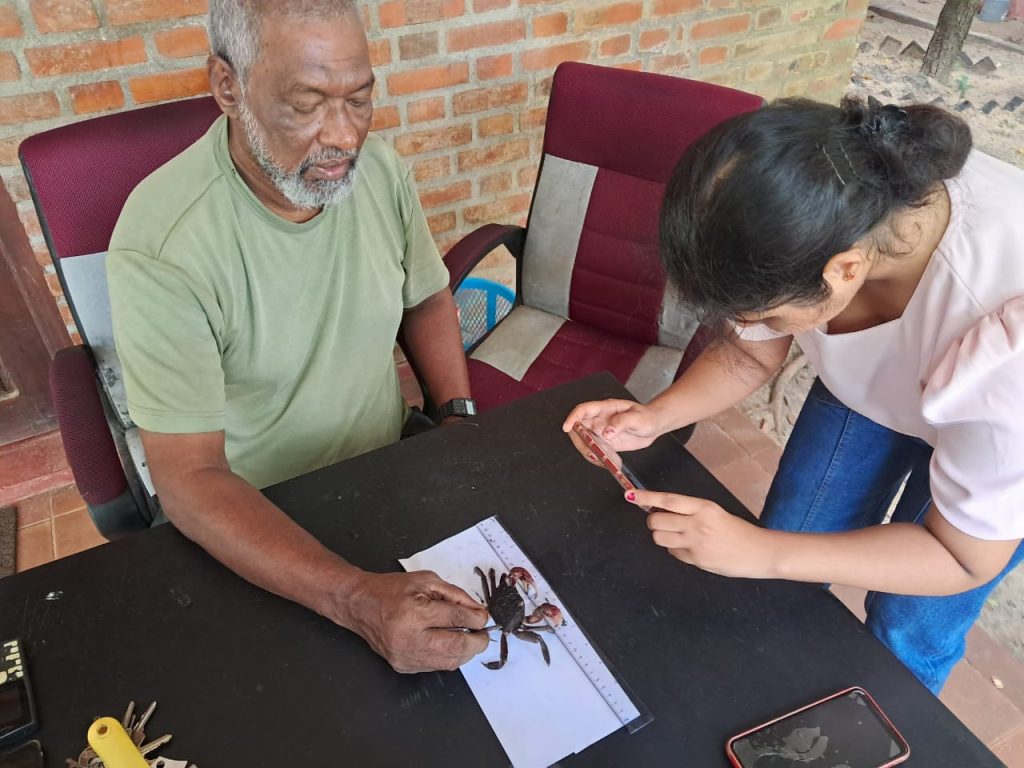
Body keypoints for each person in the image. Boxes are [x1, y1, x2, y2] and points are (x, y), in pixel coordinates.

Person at [564, 96, 1024, 693]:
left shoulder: (1002, 349)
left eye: (767, 314)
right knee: (798, 528)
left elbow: (961, 558)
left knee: (910, 625)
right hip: (902, 378)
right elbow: (750, 350)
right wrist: (655, 417)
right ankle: (772, 692)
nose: (755, 324)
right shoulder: (820, 200)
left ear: (845, 272)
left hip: (1005, 422)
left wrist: (762, 552)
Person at [107, 0, 488, 673]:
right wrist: (353, 598)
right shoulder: (163, 245)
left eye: (360, 100)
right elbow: (189, 481)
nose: (342, 137)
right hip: (263, 514)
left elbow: (425, 296)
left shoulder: (381, 173)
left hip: (387, 468)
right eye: (306, 104)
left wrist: (455, 419)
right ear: (228, 86)